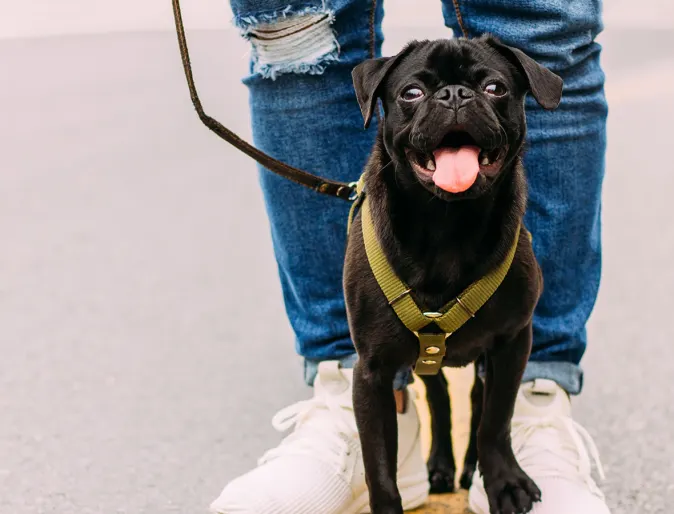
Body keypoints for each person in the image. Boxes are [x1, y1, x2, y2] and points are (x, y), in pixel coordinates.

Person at [210, 0, 610, 513]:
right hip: (390, 259)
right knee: (292, 27)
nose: (455, 102)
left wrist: (493, 445)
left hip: (498, 266)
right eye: (416, 93)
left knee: (541, 21)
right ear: (378, 102)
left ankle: (528, 410)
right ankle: (350, 403)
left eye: (491, 89)